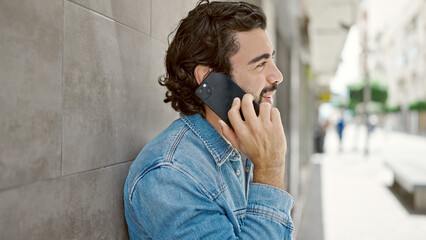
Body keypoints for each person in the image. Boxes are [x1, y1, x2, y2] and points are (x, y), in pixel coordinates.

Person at [123, 1, 294, 239]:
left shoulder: (242, 148)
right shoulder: (171, 176)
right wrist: (270, 169)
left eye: (272, 60)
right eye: (260, 64)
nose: (278, 76)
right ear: (210, 79)